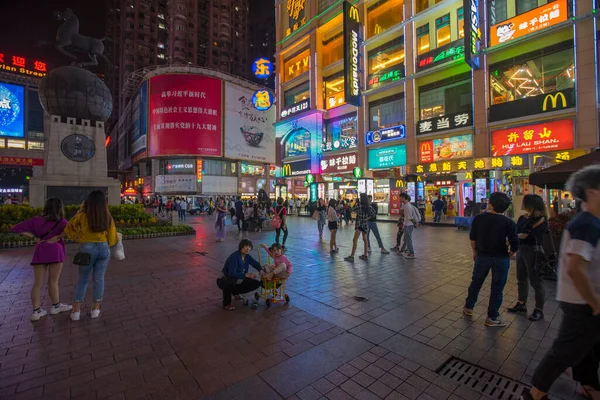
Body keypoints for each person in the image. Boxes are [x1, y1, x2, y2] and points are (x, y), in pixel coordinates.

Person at [522, 165, 600, 400]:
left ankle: (588, 384)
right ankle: (535, 394)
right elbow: (575, 267)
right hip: (581, 300)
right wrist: (594, 302)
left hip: (583, 298)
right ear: (593, 192)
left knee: (587, 345)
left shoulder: (589, 221)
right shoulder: (586, 223)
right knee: (565, 350)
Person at [10, 198, 72, 321]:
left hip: (41, 250)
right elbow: (72, 231)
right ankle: (56, 306)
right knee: (53, 282)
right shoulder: (61, 221)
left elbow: (16, 228)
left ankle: (36, 311)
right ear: (60, 208)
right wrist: (58, 236)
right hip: (56, 251)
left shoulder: (36, 220)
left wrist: (33, 237)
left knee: (37, 284)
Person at [463, 192, 518, 327]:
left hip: (482, 256)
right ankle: (492, 317)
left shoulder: (479, 219)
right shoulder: (508, 222)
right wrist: (509, 255)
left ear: (491, 204)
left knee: (476, 282)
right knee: (497, 287)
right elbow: (515, 244)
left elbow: (472, 237)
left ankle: (468, 307)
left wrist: (475, 252)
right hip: (501, 258)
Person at [65, 190, 119, 321]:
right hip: (103, 248)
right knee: (99, 279)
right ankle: (96, 309)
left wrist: (77, 237)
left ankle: (76, 311)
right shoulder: (107, 216)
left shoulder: (83, 215)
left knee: (83, 279)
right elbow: (113, 237)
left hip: (86, 249)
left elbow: (68, 228)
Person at [507, 194, 548, 321]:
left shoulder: (541, 219)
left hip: (533, 251)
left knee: (536, 281)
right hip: (521, 249)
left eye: (524, 202)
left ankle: (539, 309)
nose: (522, 204)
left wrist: (518, 236)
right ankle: (521, 303)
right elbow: (519, 233)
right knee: (521, 277)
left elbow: (527, 235)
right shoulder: (522, 218)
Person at [217, 239, 263, 311]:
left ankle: (235, 292)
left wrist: (260, 270)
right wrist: (246, 275)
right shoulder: (234, 257)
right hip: (224, 279)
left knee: (256, 283)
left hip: (238, 279)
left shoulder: (247, 256)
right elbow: (231, 273)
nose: (247, 248)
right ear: (241, 247)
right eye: (245, 246)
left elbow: (255, 263)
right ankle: (227, 304)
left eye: (249, 247)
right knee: (229, 282)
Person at [345, 193, 375, 262]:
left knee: (354, 240)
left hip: (359, 225)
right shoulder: (368, 206)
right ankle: (365, 255)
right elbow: (373, 214)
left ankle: (352, 256)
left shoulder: (359, 206)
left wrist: (355, 202)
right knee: (365, 240)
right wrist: (367, 218)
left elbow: (352, 209)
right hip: (365, 225)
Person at [399, 194, 421, 259]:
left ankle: (411, 253)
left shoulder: (407, 206)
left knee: (408, 240)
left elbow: (410, 217)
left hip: (408, 225)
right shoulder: (405, 205)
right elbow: (401, 213)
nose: (400, 199)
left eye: (401, 198)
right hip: (407, 225)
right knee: (406, 239)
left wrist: (415, 224)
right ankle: (404, 251)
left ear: (404, 198)